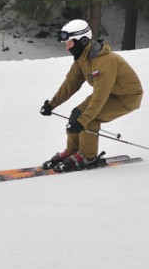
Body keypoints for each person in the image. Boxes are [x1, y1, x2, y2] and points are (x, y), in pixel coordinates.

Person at [39, 19, 143, 172]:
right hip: (109, 93)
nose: (67, 48)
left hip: (126, 97)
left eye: (69, 43)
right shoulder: (82, 60)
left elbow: (100, 96)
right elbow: (70, 84)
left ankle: (87, 156)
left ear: (83, 40)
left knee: (89, 118)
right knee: (77, 114)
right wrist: (52, 104)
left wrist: (83, 121)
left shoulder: (103, 61)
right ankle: (73, 151)